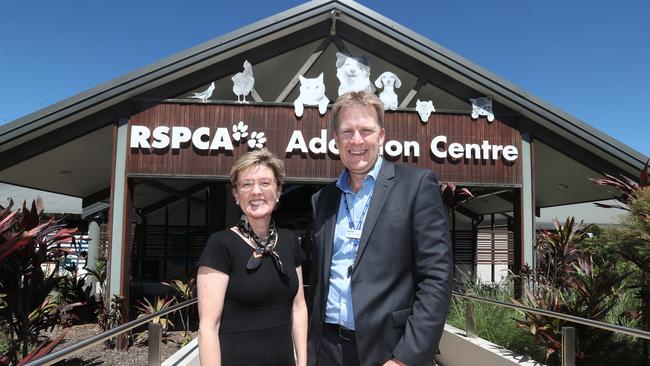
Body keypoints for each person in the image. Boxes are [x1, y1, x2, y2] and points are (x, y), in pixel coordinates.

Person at [308, 91, 452, 366]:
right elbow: (318, 282)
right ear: (336, 140)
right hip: (327, 350)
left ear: (382, 136)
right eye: (347, 131)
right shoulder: (322, 200)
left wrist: (405, 357)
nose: (357, 140)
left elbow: (436, 278)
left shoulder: (417, 186)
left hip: (390, 351)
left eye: (366, 130)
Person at [197, 149, 308, 366]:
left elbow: (299, 307)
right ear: (236, 195)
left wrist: (302, 362)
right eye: (247, 184)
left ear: (278, 191)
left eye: (265, 183)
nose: (256, 191)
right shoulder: (221, 245)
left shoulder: (289, 241)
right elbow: (209, 326)